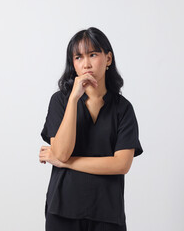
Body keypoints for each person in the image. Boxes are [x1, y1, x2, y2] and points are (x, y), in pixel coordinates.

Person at [39, 27, 143, 231]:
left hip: (107, 214)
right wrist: (74, 99)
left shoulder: (123, 109)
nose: (86, 63)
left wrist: (66, 163)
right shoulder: (60, 101)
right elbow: (61, 151)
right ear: (73, 64)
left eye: (93, 54)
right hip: (63, 210)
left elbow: (121, 165)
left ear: (108, 59)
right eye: (78, 57)